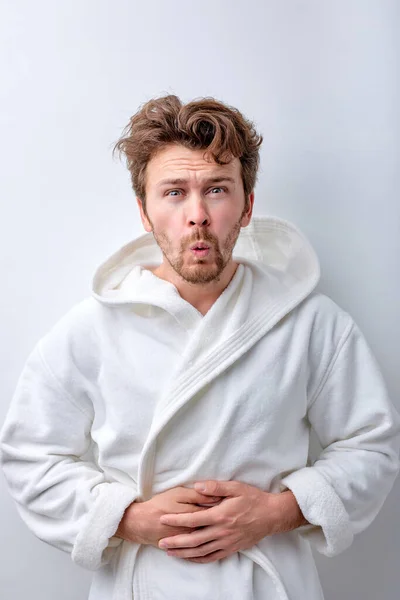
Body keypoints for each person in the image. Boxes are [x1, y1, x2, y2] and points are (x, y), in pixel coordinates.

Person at [1, 94, 399, 600]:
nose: (197, 216)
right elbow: (29, 456)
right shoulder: (91, 329)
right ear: (145, 212)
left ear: (247, 205)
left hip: (270, 581)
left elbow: (371, 443)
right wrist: (126, 519)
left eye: (216, 189)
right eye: (173, 192)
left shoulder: (312, 323)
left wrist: (280, 511)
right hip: (144, 582)